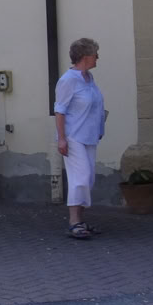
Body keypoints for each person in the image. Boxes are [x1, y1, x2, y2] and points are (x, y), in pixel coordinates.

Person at [54, 38, 106, 240]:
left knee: (88, 178)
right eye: (95, 54)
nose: (97, 58)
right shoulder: (68, 80)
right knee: (80, 177)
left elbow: (96, 105)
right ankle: (74, 221)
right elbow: (60, 110)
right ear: (85, 57)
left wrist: (100, 127)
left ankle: (81, 221)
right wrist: (61, 139)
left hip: (89, 136)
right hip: (73, 136)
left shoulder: (89, 78)